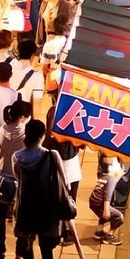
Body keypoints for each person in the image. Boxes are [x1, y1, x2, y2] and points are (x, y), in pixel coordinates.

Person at [13, 119, 69, 259]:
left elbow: (18, 180)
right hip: (48, 211)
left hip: (25, 210)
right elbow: (65, 182)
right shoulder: (52, 156)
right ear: (42, 136)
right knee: (47, 252)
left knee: (27, 245)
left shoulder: (17, 158)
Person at [0, 99, 32, 259]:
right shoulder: (26, 136)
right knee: (22, 220)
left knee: (0, 219)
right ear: (22, 118)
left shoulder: (0, 132)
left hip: (2, 182)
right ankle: (19, 254)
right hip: (21, 183)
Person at [45, 100, 82, 245]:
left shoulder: (52, 112)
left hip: (55, 162)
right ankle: (66, 232)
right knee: (70, 199)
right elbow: (80, 141)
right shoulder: (74, 114)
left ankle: (59, 230)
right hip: (69, 163)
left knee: (58, 198)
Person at [89, 154, 124, 245]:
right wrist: (106, 208)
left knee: (104, 215)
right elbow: (107, 194)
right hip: (100, 203)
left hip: (94, 202)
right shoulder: (111, 179)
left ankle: (99, 231)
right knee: (118, 217)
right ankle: (109, 236)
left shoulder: (104, 176)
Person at [10, 39, 45, 114]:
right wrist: (35, 123)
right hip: (22, 114)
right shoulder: (37, 75)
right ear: (33, 55)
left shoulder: (11, 65)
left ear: (18, 52)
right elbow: (37, 102)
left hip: (6, 110)